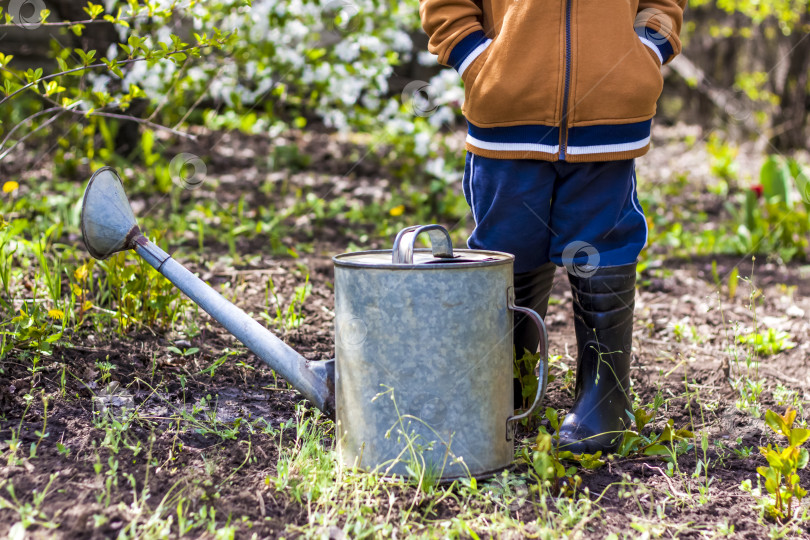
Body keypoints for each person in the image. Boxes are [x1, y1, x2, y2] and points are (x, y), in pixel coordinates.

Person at [418, 0, 687, 453]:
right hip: (507, 107)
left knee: (601, 244)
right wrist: (479, 60)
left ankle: (605, 398)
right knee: (507, 243)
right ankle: (511, 385)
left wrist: (644, 51)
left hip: (611, 110)